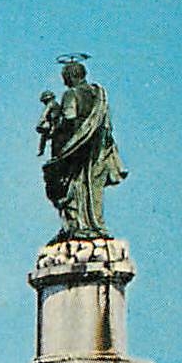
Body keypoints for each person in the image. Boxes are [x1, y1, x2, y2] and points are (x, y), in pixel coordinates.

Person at [40, 57, 126, 239]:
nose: (63, 81)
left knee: (72, 186)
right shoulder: (97, 94)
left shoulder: (71, 94)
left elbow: (69, 119)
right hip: (96, 149)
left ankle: (78, 225)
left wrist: (54, 129)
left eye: (64, 76)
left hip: (75, 148)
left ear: (70, 76)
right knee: (92, 186)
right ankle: (94, 223)